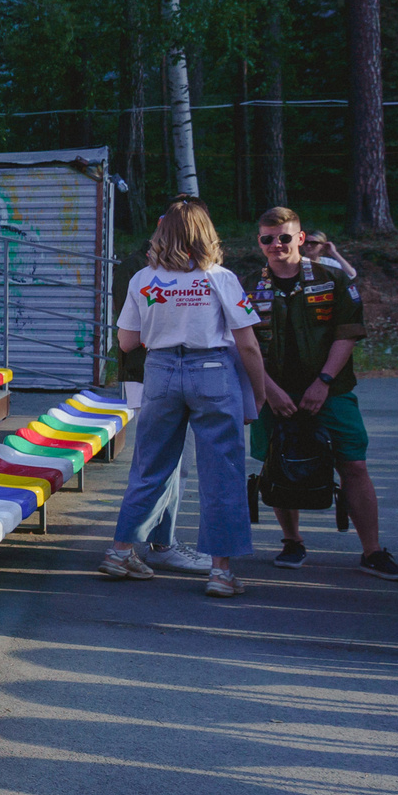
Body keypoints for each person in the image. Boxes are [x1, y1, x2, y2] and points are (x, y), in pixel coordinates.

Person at [103, 202, 275, 596]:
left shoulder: (143, 278)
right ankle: (221, 572)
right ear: (206, 234)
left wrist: (165, 333)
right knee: (222, 472)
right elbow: (248, 344)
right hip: (212, 370)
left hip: (160, 370)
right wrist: (259, 391)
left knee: (150, 466)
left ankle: (121, 551)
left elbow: (126, 341)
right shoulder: (220, 278)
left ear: (161, 234)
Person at [249, 207, 398, 579]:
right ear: (260, 241)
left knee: (354, 464)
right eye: (267, 238)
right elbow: (242, 344)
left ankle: (372, 551)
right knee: (277, 463)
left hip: (331, 390)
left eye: (284, 237)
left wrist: (323, 382)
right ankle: (292, 541)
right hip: (273, 392)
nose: (276, 244)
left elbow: (347, 333)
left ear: (301, 238)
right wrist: (269, 390)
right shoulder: (247, 286)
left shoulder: (333, 278)